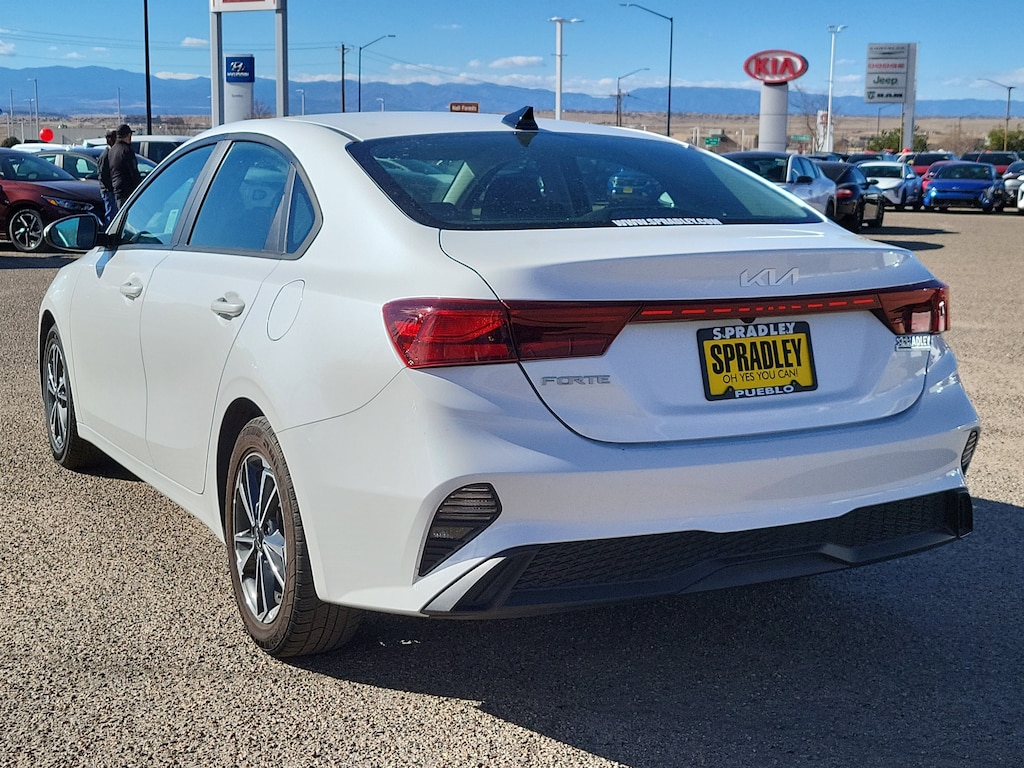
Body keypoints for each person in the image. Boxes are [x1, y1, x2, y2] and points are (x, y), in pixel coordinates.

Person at [106, 123, 142, 212]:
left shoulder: (112, 150)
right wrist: (140, 187)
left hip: (117, 189)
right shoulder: (126, 150)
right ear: (128, 135)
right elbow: (133, 171)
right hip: (128, 190)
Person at [96, 129, 117, 225]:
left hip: (113, 190)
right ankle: (108, 234)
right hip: (109, 191)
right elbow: (102, 175)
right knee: (111, 214)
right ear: (110, 140)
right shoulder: (105, 156)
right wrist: (111, 187)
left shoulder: (113, 153)